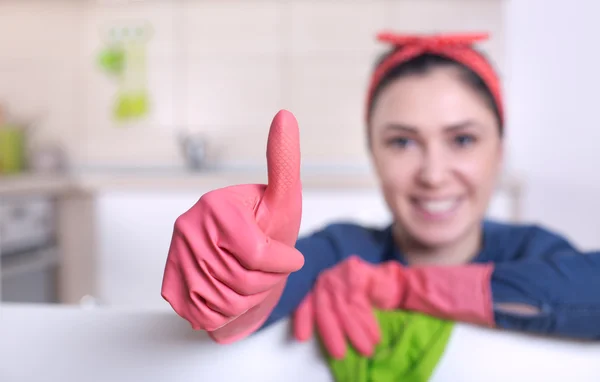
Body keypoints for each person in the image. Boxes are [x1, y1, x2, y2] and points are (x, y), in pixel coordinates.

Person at [161, 31, 600, 360]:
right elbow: (253, 315)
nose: (433, 175)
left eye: (463, 140)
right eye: (402, 142)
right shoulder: (343, 250)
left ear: (499, 152)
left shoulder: (535, 250)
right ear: (372, 152)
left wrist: (399, 287)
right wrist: (232, 279)